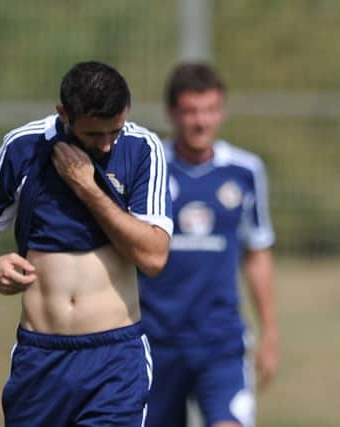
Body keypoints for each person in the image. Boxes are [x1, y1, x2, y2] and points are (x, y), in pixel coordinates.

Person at [0, 61, 173, 426]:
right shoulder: (23, 146)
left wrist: (87, 187)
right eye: (94, 135)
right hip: (40, 359)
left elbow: (153, 256)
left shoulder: (143, 149)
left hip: (114, 361)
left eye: (115, 130)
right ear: (64, 114)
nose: (107, 143)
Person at [140, 63, 278, 427]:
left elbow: (257, 253)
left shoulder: (245, 170)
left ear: (222, 111)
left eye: (209, 110)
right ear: (172, 113)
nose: (200, 122)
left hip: (220, 340)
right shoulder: (148, 169)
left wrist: (270, 333)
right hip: (154, 341)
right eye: (190, 111)